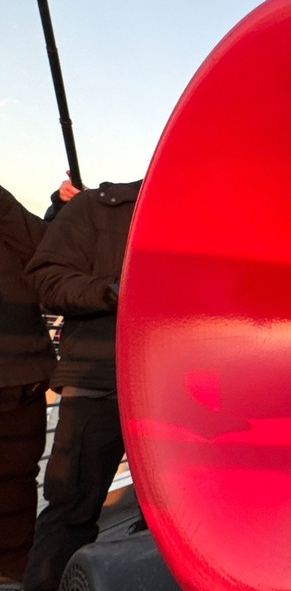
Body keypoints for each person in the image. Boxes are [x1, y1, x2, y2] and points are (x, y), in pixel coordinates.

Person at [22, 180, 141, 591]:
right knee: (70, 511)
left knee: (172, 516)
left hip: (184, 392)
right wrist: (113, 291)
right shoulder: (96, 207)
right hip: (98, 383)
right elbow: (46, 278)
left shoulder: (211, 220)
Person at [0, 186, 58, 586]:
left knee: (16, 482)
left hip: (19, 375)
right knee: (17, 482)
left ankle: (13, 568)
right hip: (19, 372)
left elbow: (44, 250)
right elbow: (44, 252)